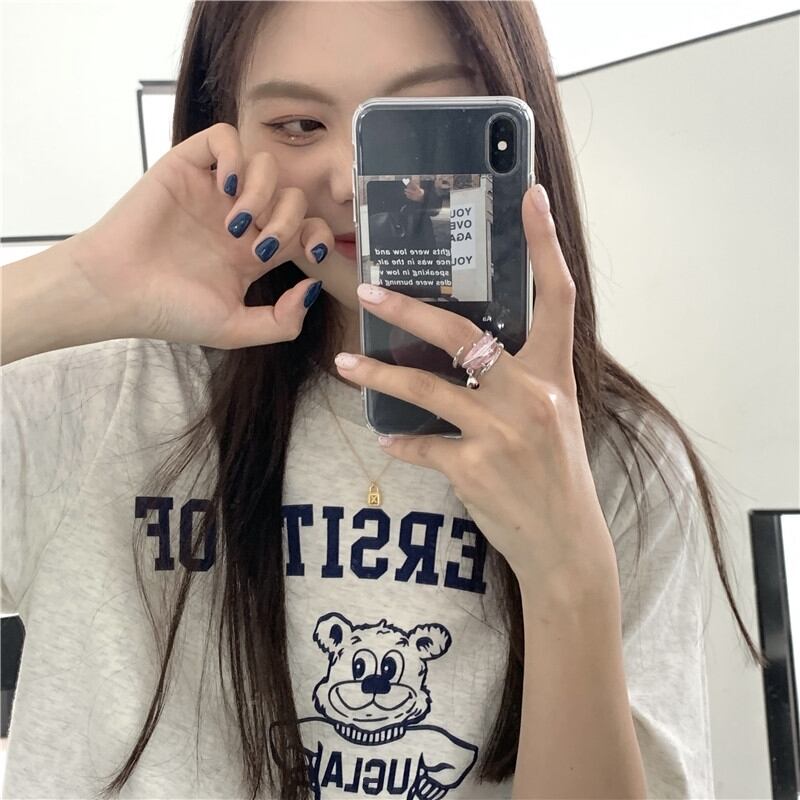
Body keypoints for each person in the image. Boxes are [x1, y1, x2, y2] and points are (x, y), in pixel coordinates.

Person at [0, 2, 763, 799]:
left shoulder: (613, 461)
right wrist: (79, 284)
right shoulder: (96, 398)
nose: (351, 180)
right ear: (225, 129)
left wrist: (566, 574)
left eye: (415, 123)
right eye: (299, 125)